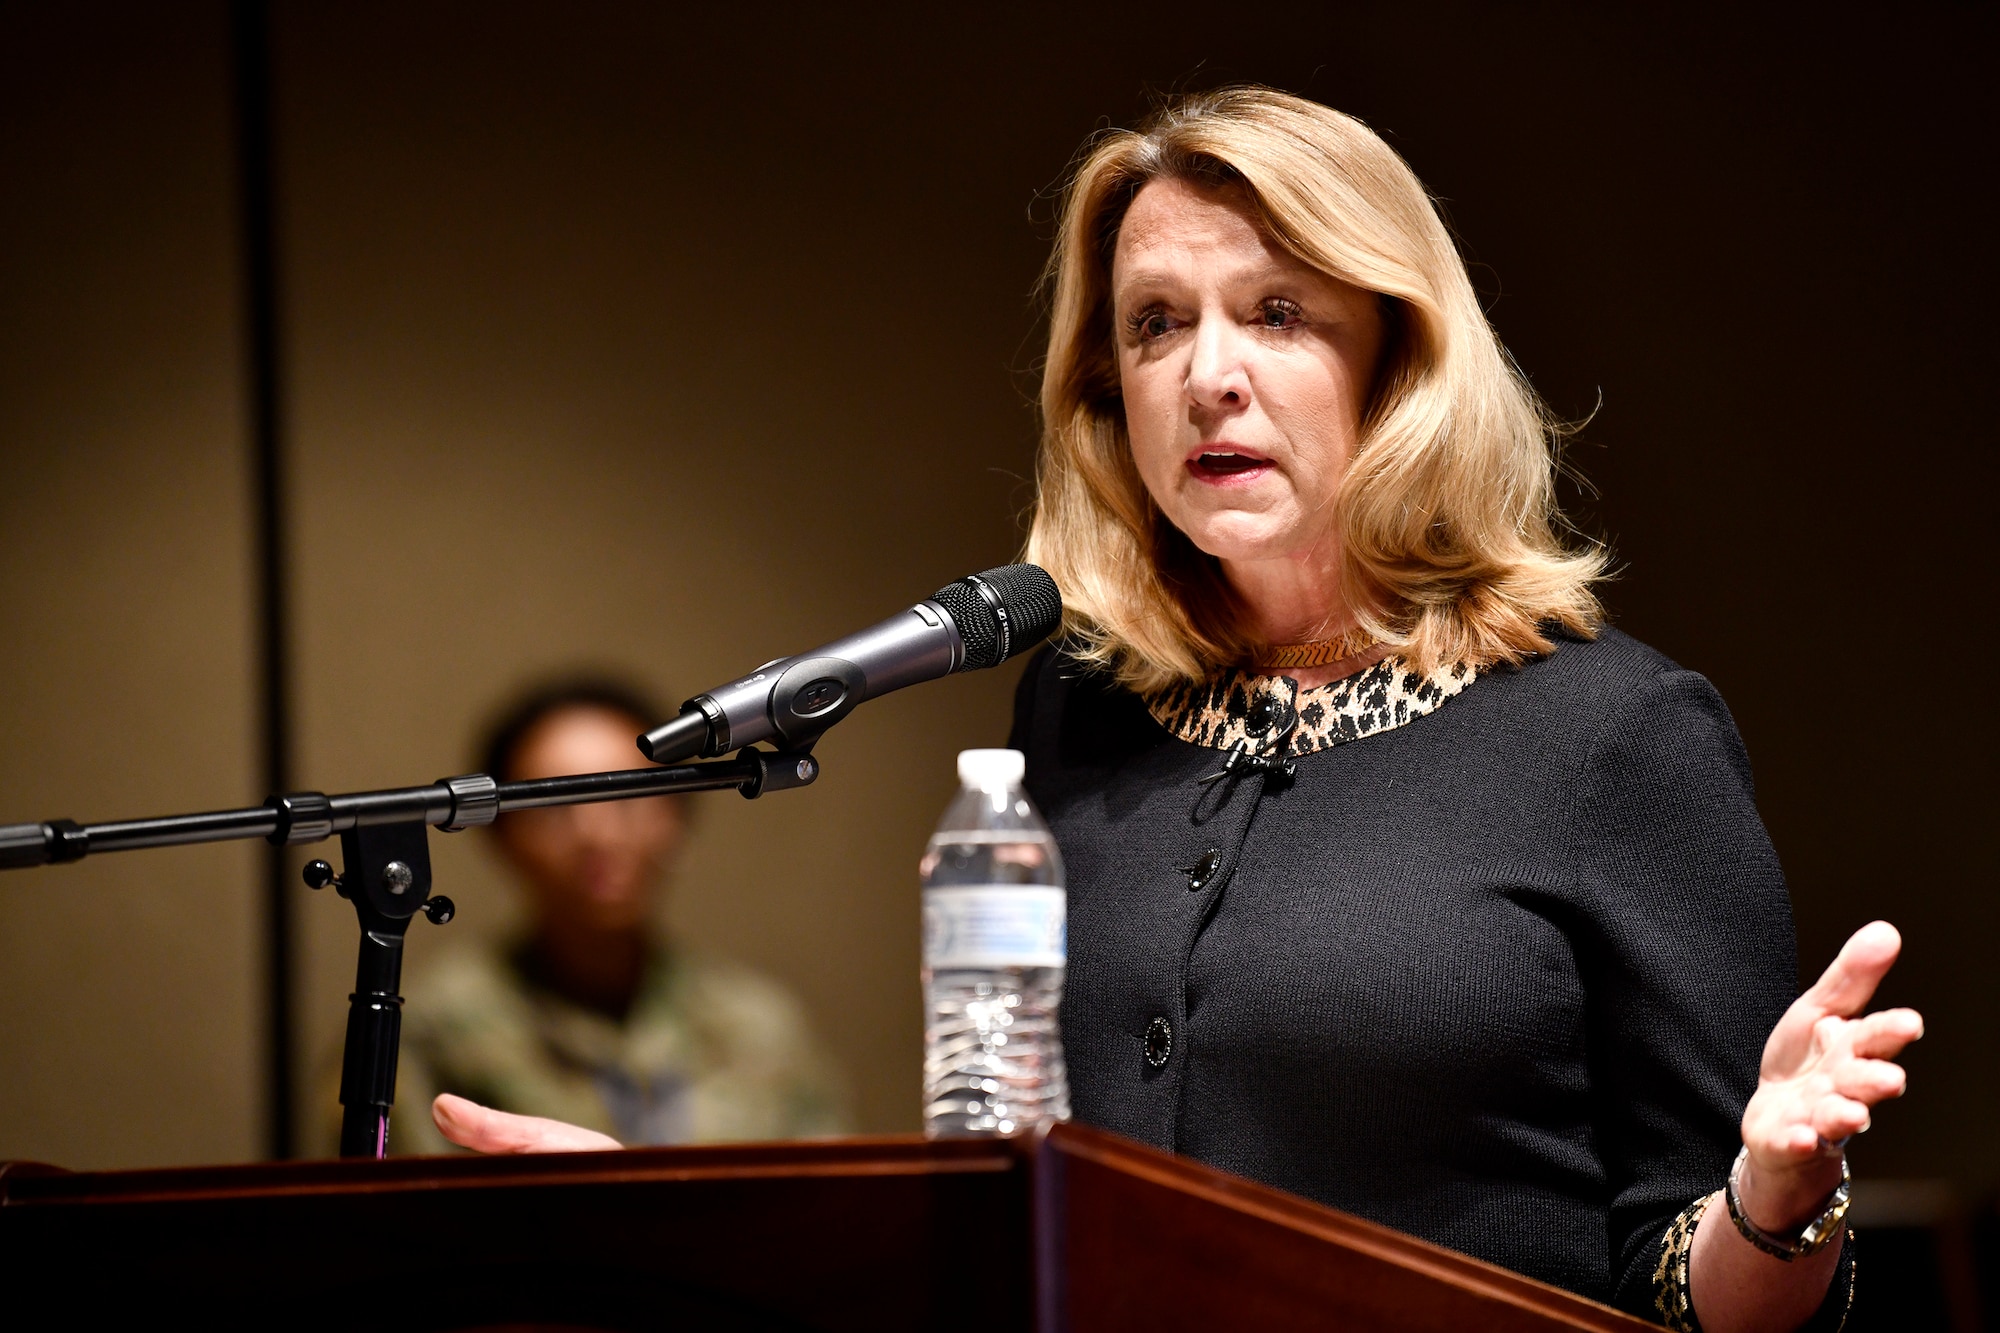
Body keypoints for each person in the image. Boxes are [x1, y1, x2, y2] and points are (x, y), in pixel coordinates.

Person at [432, 92, 1920, 1333]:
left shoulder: (1611, 736)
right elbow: (1019, 1221)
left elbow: (1699, 1293)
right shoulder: (1072, 717)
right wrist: (678, 1225)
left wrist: (1772, 1203)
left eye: (1278, 313)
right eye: (1155, 326)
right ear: (1109, 394)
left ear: (1396, 359)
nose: (1210, 376)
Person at [374, 678, 848, 1155]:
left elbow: (835, 1209)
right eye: (554, 806)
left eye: (629, 796)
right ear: (500, 838)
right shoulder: (437, 1030)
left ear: (677, 820)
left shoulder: (756, 1026)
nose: (596, 835)